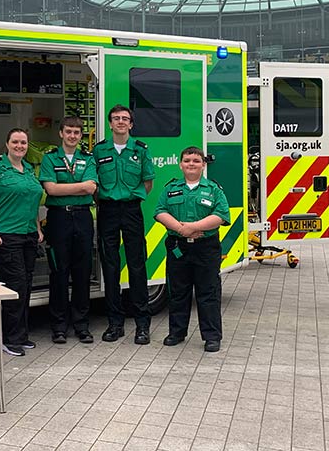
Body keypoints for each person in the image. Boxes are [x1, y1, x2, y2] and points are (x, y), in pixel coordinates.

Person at [153, 146, 230, 353]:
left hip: (206, 248)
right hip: (178, 247)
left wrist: (192, 228)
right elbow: (160, 211)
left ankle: (212, 337)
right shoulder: (171, 188)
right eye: (187, 160)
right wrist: (180, 229)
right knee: (178, 292)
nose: (191, 164)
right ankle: (176, 333)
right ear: (180, 164)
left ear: (203, 165)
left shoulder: (213, 189)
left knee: (209, 293)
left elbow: (221, 214)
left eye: (196, 161)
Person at [0, 128, 44, 357]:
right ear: (7, 144)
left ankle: (21, 335)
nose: (20, 146)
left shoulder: (28, 171)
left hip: (27, 235)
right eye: (15, 142)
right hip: (4, 236)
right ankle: (9, 339)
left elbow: (31, 202)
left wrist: (36, 229)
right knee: (14, 285)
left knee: (25, 286)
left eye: (23, 142)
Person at [93, 105, 156, 345]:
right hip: (107, 210)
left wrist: (132, 197)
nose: (120, 122)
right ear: (110, 124)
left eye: (125, 119)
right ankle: (115, 324)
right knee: (110, 267)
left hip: (131, 211)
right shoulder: (99, 151)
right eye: (116, 118)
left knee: (137, 267)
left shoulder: (139, 151)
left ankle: (142, 326)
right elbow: (93, 182)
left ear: (131, 124)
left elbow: (147, 182)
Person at [39, 116, 98, 344]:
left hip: (82, 217)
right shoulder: (49, 158)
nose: (72, 136)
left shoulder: (88, 159)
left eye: (76, 132)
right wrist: (80, 187)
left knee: (82, 273)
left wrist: (75, 188)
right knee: (59, 272)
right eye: (68, 131)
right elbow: (51, 189)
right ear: (61, 134)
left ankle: (82, 325)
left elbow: (91, 186)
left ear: (80, 135)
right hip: (58, 218)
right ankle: (59, 326)